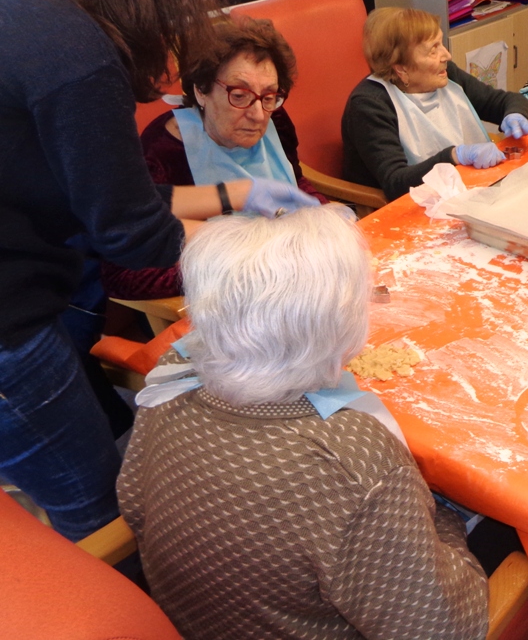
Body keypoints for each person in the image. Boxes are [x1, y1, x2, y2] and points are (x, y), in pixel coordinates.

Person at [0, 0, 315, 541]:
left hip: (26, 298)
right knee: (98, 512)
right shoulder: (74, 49)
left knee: (101, 452)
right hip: (9, 327)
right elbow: (130, 231)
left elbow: (109, 195)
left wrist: (240, 193)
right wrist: (273, 258)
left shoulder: (21, 3)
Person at [117, 205, 488, 640]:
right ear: (342, 326)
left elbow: (134, 504)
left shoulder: (171, 378)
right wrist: (445, 519)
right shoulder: (352, 457)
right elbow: (444, 631)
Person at [102, 16, 329, 300]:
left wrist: (325, 214)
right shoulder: (162, 150)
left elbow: (293, 181)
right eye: (239, 94)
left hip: (292, 279)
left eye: (269, 96)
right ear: (201, 90)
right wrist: (236, 267)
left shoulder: (275, 120)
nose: (258, 114)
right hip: (215, 302)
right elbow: (121, 275)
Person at [342, 7, 528, 201]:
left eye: (441, 43)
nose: (447, 56)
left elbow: (503, 101)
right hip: (402, 208)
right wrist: (455, 156)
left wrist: (516, 114)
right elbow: (395, 182)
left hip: (462, 190)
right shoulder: (369, 105)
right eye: (433, 50)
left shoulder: (446, 74)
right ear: (401, 68)